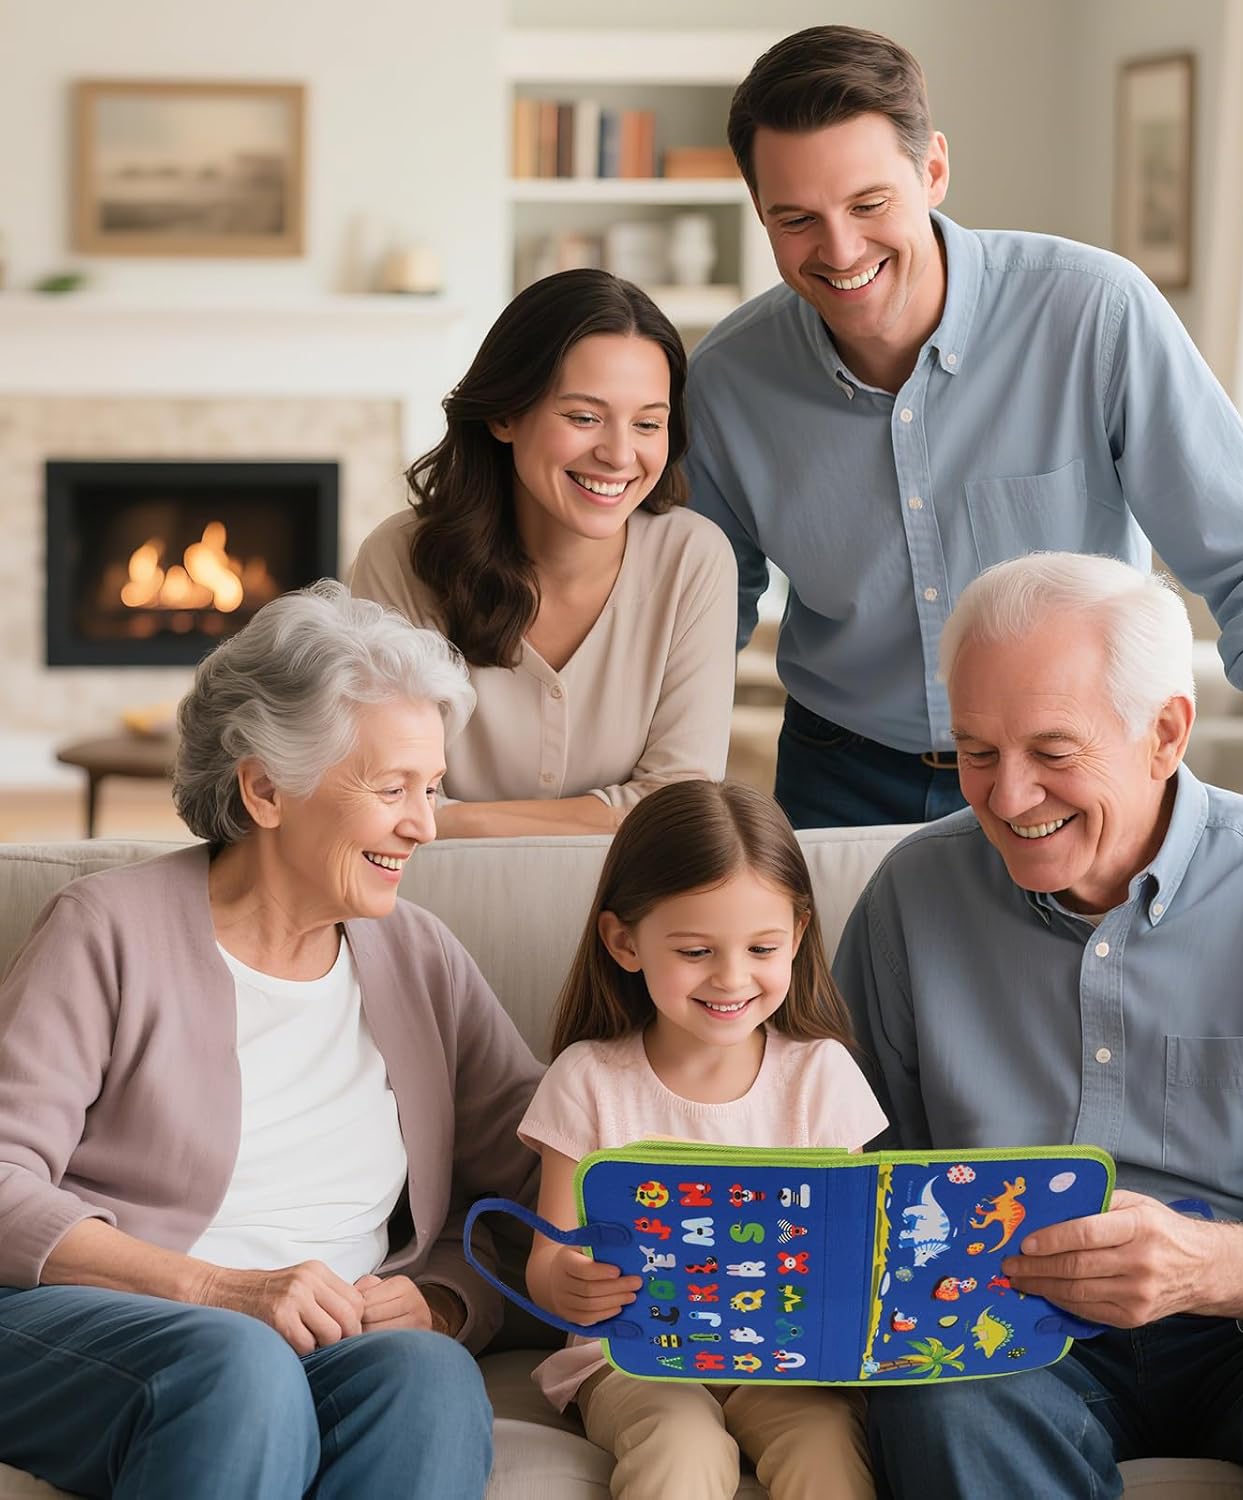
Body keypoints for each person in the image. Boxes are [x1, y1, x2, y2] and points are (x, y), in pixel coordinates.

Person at [832, 553, 1243, 1500]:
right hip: (1013, 1334)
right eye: (976, 752)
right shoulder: (912, 897)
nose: (1007, 798)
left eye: (1054, 753)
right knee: (935, 1390)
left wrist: (1218, 1265)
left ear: (1165, 733)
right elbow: (849, 1175)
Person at [685, 25, 1243, 872]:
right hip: (840, 778)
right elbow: (694, 618)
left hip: (1083, 768)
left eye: (869, 205)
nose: (840, 251)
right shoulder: (727, 381)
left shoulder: (1094, 315)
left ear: (933, 171)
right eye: (797, 219)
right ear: (761, 211)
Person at [0, 581, 543, 1500]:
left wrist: (446, 1301)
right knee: (239, 1364)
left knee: (428, 1378)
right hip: (97, 1327)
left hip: (330, 1344)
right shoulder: (107, 929)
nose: (425, 825)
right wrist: (218, 1290)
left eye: (432, 789)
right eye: (392, 789)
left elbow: (536, 1176)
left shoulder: (422, 958)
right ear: (264, 789)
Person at [517, 779, 887, 1500]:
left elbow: (849, 1250)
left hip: (786, 1363)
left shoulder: (821, 1075)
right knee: (682, 1448)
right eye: (695, 950)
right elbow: (548, 1259)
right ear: (624, 942)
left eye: (762, 947)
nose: (731, 978)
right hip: (633, 1359)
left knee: (826, 1449)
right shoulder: (588, 1079)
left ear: (798, 936)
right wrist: (567, 1283)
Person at [352, 267, 737, 838]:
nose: (619, 454)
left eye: (647, 423)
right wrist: (609, 816)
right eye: (584, 417)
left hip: (628, 894)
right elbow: (380, 795)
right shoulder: (400, 559)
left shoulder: (693, 560)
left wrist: (456, 819)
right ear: (505, 415)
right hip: (437, 888)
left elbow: (677, 808)